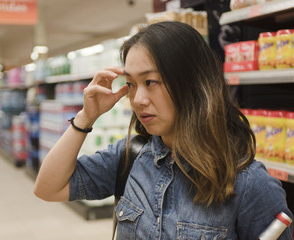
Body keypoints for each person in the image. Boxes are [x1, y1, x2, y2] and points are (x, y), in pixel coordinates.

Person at [34, 21, 293, 239]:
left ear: (191, 83)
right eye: (132, 84)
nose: (138, 99)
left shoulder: (248, 183)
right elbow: (48, 187)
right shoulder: (130, 157)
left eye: (150, 82)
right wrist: (85, 118)